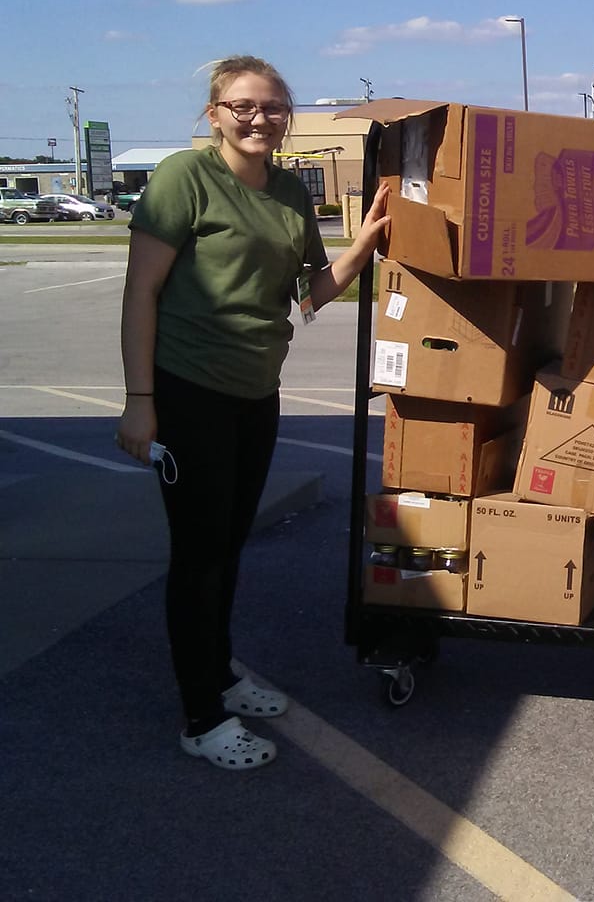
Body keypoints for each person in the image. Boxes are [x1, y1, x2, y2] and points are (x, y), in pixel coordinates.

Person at [116, 55, 390, 770]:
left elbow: (308, 294)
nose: (258, 118)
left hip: (255, 391)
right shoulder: (185, 177)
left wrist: (360, 248)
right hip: (187, 389)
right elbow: (141, 292)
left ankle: (220, 671)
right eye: (242, 106)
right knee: (199, 556)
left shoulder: (290, 193)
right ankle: (200, 717)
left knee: (229, 546)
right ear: (215, 115)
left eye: (271, 107)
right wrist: (140, 401)